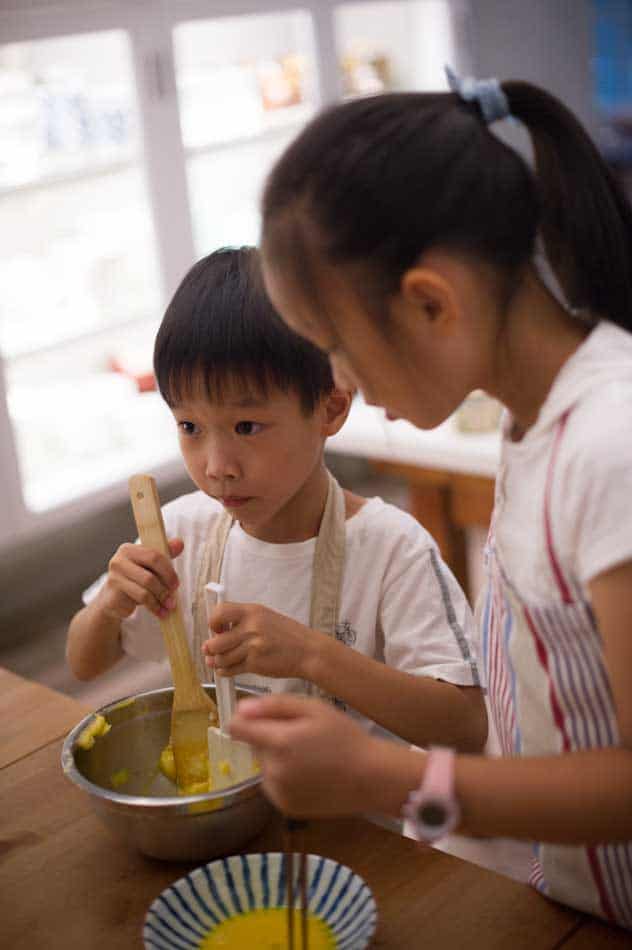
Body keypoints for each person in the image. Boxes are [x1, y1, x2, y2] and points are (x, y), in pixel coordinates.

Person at [229, 71, 632, 928]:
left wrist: (389, 778)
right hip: (561, 886)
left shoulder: (612, 445)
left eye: (334, 345)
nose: (339, 382)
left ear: (429, 303)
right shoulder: (539, 420)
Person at [66, 246, 486, 753]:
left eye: (246, 426)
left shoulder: (392, 549)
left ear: (330, 410)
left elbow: (465, 725)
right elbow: (83, 662)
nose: (217, 465)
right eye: (190, 426)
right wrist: (110, 603)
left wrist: (312, 655)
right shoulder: (180, 534)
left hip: (353, 802)